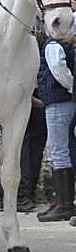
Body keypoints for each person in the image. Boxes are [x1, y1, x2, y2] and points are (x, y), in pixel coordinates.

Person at [36, 37, 76, 222]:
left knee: (58, 151)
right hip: (62, 101)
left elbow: (59, 70)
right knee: (61, 150)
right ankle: (61, 200)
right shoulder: (62, 44)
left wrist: (71, 88)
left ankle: (64, 204)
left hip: (59, 102)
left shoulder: (52, 45)